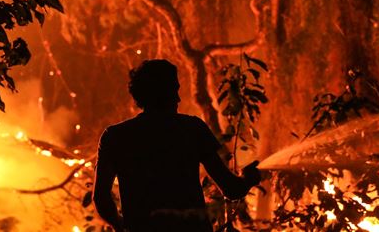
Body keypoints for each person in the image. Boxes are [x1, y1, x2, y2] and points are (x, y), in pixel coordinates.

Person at [93, 59, 262, 232]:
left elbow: (101, 197)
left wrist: (119, 224)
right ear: (164, 93)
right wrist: (249, 178)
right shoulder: (192, 129)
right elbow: (231, 189)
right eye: (174, 90)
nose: (178, 98)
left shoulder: (115, 136)